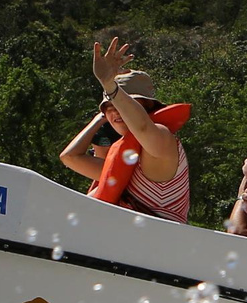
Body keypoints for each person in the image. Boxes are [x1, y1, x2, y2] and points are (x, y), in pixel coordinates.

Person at [58, 40, 190, 221]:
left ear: (147, 106)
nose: (115, 111)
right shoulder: (126, 165)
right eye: (108, 107)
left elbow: (142, 127)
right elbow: (70, 157)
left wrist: (110, 86)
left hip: (154, 237)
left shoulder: (162, 140)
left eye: (123, 103)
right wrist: (99, 119)